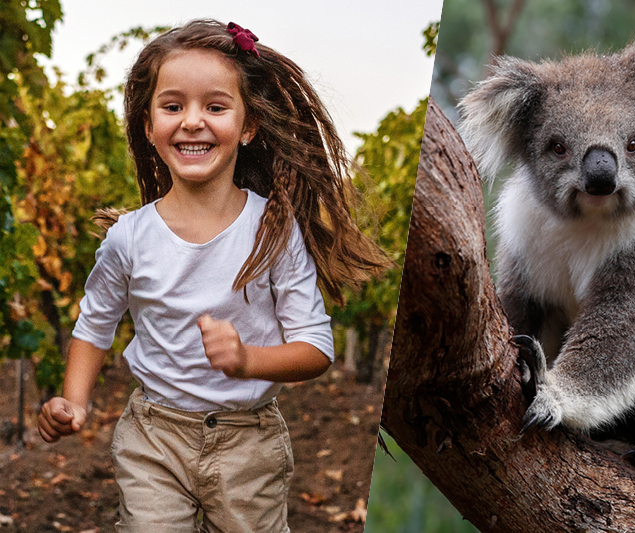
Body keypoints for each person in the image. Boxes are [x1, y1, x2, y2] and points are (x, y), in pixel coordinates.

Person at [37, 19, 388, 533]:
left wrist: (248, 360)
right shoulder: (129, 239)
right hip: (154, 437)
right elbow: (95, 324)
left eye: (216, 107)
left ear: (248, 128)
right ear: (148, 125)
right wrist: (74, 401)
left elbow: (315, 348)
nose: (193, 121)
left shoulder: (275, 231)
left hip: (250, 443)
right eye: (173, 106)